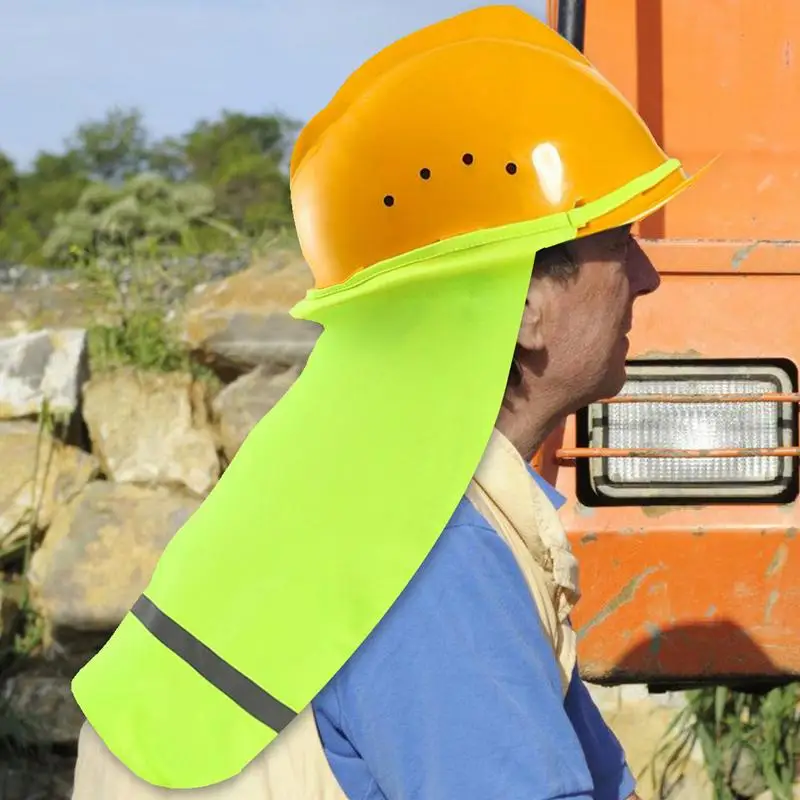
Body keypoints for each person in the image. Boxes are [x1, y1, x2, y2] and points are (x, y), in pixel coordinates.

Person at [71, 6, 702, 799]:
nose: (647, 277)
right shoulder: (428, 555)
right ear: (525, 304)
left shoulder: (369, 480)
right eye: (621, 243)